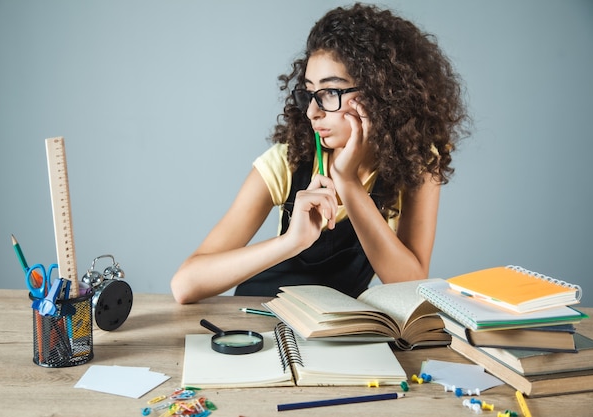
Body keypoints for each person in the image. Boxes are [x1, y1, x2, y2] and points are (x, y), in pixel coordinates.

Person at [171, 3, 469, 304]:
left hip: (335, 332)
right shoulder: (286, 162)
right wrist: (291, 241)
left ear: (383, 93)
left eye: (330, 93)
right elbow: (185, 285)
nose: (312, 112)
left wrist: (348, 183)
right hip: (260, 316)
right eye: (309, 93)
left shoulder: (417, 162)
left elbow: (411, 285)